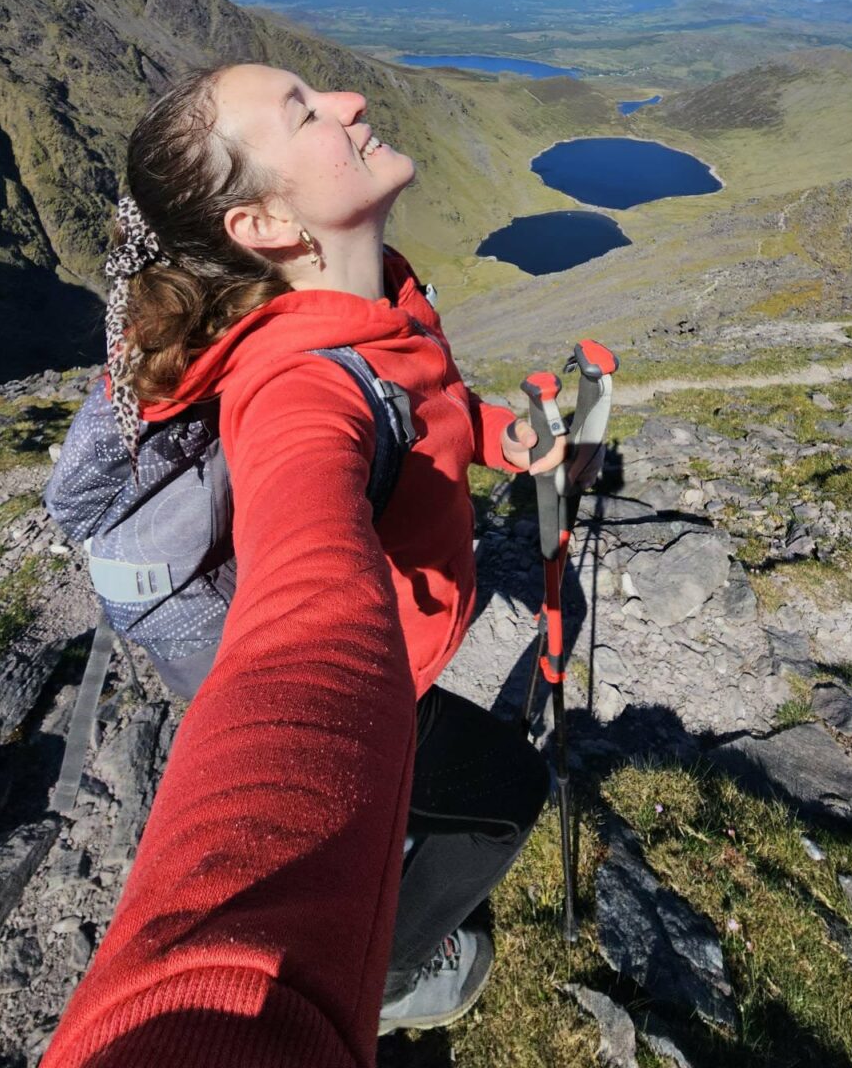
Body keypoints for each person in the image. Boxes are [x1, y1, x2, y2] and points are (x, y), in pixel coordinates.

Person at [43, 62, 572, 1068]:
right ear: (265, 224)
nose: (351, 102)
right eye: (305, 113)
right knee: (502, 793)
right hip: (376, 680)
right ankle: (395, 973)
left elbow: (424, 414)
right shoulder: (294, 390)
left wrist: (509, 439)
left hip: (405, 644)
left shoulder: (375, 297)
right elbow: (304, 574)